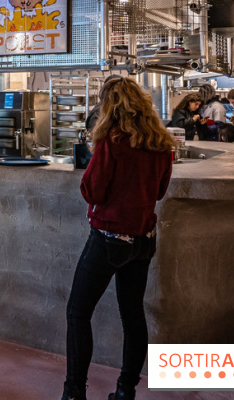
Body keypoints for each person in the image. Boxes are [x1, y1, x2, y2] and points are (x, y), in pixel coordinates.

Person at [63, 77, 174, 400]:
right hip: (143, 239)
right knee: (132, 314)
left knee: (78, 313)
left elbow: (92, 191)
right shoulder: (161, 144)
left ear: (108, 107)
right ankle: (125, 391)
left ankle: (74, 393)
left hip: (109, 237)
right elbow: (160, 192)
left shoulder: (112, 143)